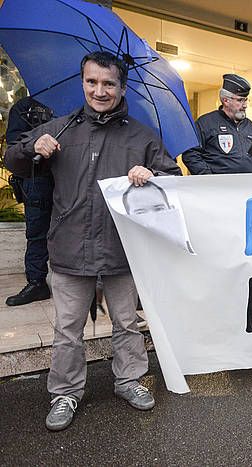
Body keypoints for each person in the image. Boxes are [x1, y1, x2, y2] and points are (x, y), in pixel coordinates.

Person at [5, 51, 182, 431]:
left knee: (127, 323)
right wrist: (31, 148)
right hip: (69, 249)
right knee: (67, 328)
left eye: (108, 84)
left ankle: (129, 380)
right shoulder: (61, 128)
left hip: (122, 250)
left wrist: (150, 172)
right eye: (92, 82)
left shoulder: (142, 136)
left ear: (122, 87)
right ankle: (65, 392)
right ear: (82, 81)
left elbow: (173, 178)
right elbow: (13, 161)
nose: (99, 91)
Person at [5, 97, 54, 306]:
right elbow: (13, 146)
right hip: (37, 178)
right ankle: (36, 282)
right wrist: (34, 143)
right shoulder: (25, 107)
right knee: (37, 233)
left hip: (71, 177)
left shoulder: (78, 107)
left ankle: (91, 285)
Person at [182, 73, 252, 174]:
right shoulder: (206, 123)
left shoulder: (250, 126)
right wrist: (208, 177)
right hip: (219, 187)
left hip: (251, 187)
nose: (245, 105)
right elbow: (190, 154)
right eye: (240, 100)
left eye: (246, 100)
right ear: (225, 100)